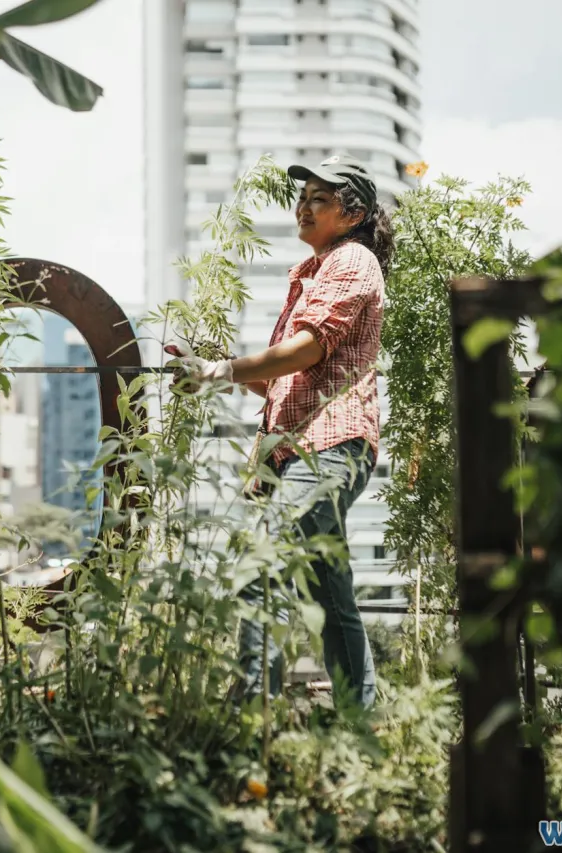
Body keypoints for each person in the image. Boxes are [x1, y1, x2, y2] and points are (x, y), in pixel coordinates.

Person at [166, 154, 392, 709]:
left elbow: (308, 348)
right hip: (302, 449)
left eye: (320, 198)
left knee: (263, 566)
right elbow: (285, 384)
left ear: (353, 212)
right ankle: (359, 725)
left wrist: (228, 370)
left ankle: (252, 710)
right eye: (303, 197)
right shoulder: (314, 272)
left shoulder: (352, 260)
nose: (304, 207)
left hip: (329, 447)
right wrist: (218, 366)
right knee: (329, 593)